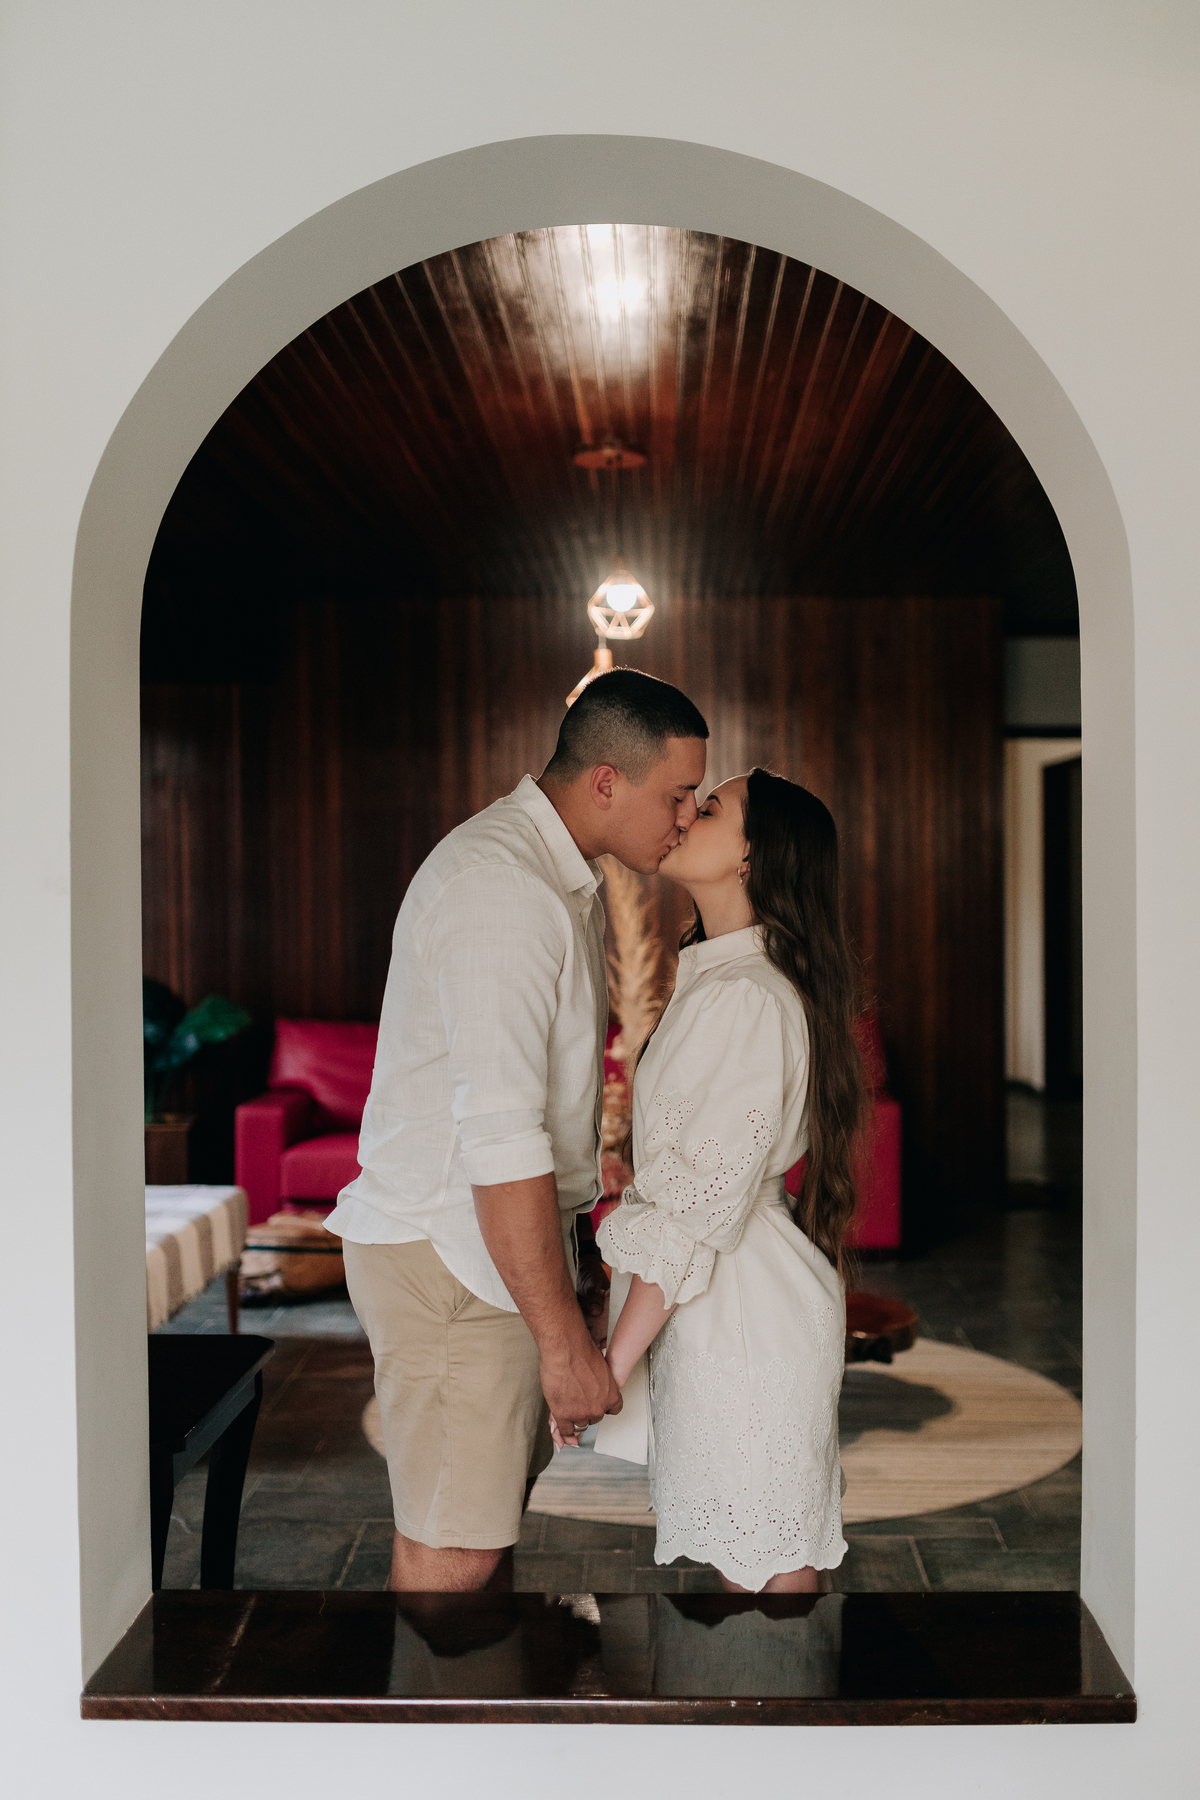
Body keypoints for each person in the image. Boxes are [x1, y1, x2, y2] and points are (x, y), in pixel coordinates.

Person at [326, 670, 709, 1592]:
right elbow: (501, 1141)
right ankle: (436, 1688)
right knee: (455, 1546)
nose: (688, 817)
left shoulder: (548, 874)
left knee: (475, 1527)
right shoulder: (503, 888)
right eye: (678, 794)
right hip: (454, 1263)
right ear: (607, 781)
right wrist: (563, 1342)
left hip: (482, 1255)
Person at [589, 768, 866, 1594]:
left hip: (744, 1313)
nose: (683, 814)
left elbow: (693, 1214)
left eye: (708, 807)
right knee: (747, 1563)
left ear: (753, 857)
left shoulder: (744, 995)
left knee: (767, 1570)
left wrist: (607, 1370)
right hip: (726, 1303)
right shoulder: (722, 976)